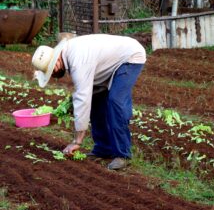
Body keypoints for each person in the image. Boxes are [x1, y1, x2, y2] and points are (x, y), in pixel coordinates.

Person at [32, 34, 146, 170]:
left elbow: (82, 98)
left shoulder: (77, 62)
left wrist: (77, 141)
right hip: (110, 61)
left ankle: (123, 155)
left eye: (51, 71)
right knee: (96, 101)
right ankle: (103, 149)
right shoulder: (68, 55)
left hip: (130, 56)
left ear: (56, 61)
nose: (53, 75)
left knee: (115, 102)